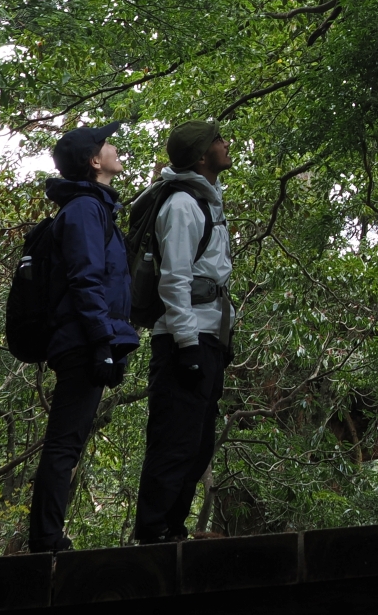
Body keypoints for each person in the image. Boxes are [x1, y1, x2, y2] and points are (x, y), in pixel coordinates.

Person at [27, 122, 137, 554]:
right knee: (64, 443)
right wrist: (101, 342)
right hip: (82, 341)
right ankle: (47, 541)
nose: (114, 148)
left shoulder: (93, 208)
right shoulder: (85, 211)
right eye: (107, 144)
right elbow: (86, 280)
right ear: (95, 161)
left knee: (67, 442)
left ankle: (48, 537)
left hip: (86, 337)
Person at [131, 119, 235, 544]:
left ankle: (172, 528)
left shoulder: (206, 202)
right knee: (174, 440)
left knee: (197, 442)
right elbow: (173, 280)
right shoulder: (181, 206)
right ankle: (152, 532)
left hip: (209, 337)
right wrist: (188, 345)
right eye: (217, 141)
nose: (226, 145)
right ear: (200, 156)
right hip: (182, 340)